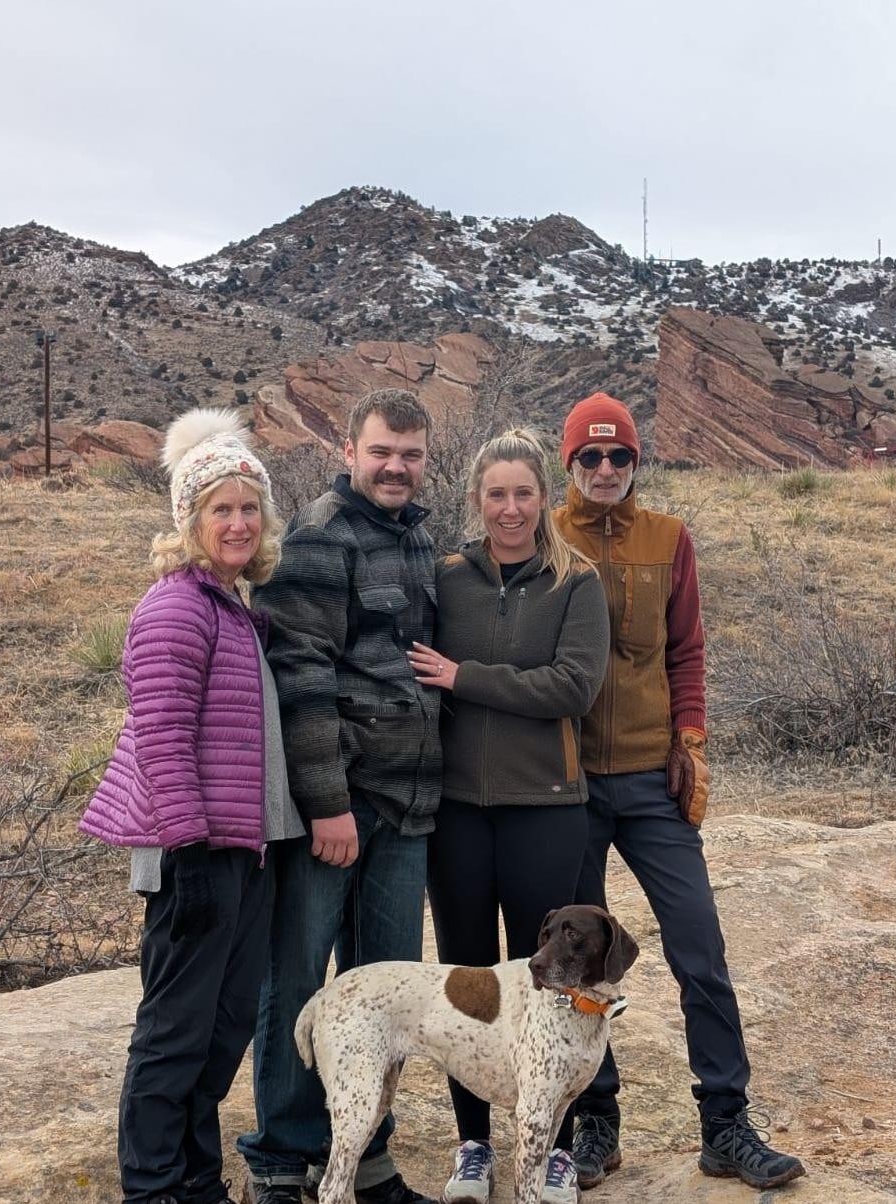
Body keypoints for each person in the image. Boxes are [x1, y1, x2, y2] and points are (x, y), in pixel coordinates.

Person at [551, 393, 806, 1191]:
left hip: (649, 782)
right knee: (579, 964)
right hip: (567, 785)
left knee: (700, 949)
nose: (604, 470)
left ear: (636, 464)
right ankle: (597, 1124)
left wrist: (688, 742)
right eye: (589, 457)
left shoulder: (669, 538)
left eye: (619, 456)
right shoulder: (545, 534)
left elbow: (687, 651)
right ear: (568, 464)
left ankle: (724, 1126)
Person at [80, 407, 303, 1204]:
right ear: (189, 520)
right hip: (194, 855)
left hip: (242, 848)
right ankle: (152, 1187)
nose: (238, 523)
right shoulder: (177, 608)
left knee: (221, 1029)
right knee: (175, 1033)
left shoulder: (233, 607)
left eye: (249, 507)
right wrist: (193, 851)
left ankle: (196, 1179)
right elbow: (163, 740)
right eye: (221, 509)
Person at [238, 389, 442, 1204]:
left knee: (385, 991)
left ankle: (366, 1156)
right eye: (382, 451)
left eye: (411, 454)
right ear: (350, 450)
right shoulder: (318, 538)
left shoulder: (419, 541)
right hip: (341, 805)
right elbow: (303, 681)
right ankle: (282, 1159)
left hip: (407, 806)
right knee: (300, 981)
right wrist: (327, 805)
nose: (396, 467)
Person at [408, 429, 610, 1204]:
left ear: (544, 497)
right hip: (457, 811)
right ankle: (472, 1148)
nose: (511, 508)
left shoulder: (576, 581)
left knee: (553, 984)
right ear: (476, 499)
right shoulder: (446, 576)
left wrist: (466, 677)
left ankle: (554, 1149)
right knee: (470, 984)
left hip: (546, 810)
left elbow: (571, 687)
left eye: (524, 493)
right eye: (496, 494)